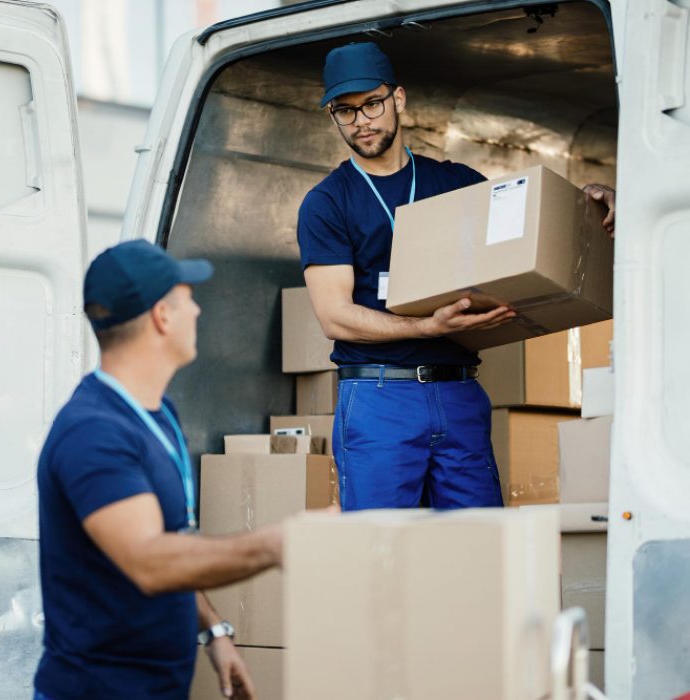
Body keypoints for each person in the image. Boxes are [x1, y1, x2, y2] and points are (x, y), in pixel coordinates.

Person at [297, 42, 616, 512]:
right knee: (381, 553)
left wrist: (589, 198)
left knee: (479, 546)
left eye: (372, 104)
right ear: (333, 117)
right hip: (379, 395)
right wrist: (427, 327)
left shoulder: (455, 183)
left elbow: (524, 233)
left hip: (458, 390)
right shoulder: (328, 202)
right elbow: (335, 317)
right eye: (345, 111)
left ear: (398, 99)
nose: (361, 120)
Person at [34, 240, 282, 700]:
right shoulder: (93, 433)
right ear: (161, 317)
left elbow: (175, 541)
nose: (199, 312)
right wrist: (277, 543)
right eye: (189, 298)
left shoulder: (157, 414)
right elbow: (150, 562)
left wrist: (214, 633)